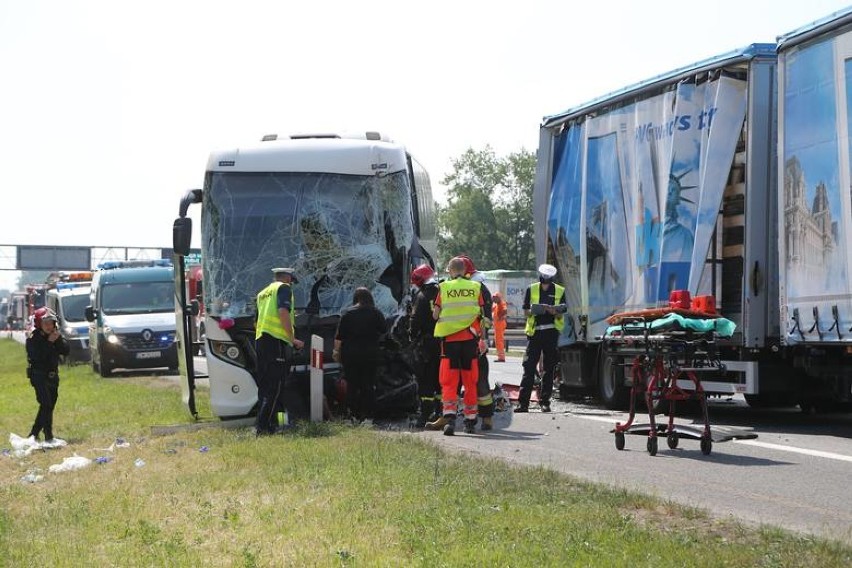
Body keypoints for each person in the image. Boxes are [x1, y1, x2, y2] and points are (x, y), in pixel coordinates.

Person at [426, 257, 486, 435]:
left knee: (449, 382)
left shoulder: (444, 288)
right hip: (470, 342)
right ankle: (470, 421)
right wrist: (482, 339)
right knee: (470, 381)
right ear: (465, 270)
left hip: (450, 343)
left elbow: (436, 316)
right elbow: (482, 315)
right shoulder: (476, 287)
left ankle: (450, 421)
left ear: (451, 271)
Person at [254, 267, 304, 435]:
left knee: (265, 385)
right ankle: (264, 428)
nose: (291, 283)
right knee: (276, 386)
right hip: (276, 342)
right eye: (291, 280)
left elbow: (256, 321)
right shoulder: (283, 288)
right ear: (288, 278)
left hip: (261, 340)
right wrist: (292, 339)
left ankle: (265, 425)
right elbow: (283, 312)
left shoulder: (262, 293)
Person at [516, 263, 566, 413]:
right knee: (529, 367)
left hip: (551, 333)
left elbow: (562, 311)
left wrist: (552, 311)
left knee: (549, 369)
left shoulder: (559, 290)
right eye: (544, 278)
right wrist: (534, 310)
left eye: (548, 279)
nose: (545, 281)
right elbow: (525, 311)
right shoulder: (531, 289)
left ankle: (545, 402)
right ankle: (523, 404)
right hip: (535, 333)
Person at [333, 287, 387, 421]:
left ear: (355, 298)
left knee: (352, 385)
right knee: (368, 386)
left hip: (350, 355)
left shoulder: (347, 314)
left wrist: (336, 353)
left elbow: (339, 337)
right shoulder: (376, 313)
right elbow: (384, 331)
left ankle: (353, 416)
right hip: (370, 354)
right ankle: (368, 417)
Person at [459, 255, 496, 431]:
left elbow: (486, 319)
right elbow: (487, 319)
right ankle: (484, 419)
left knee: (472, 382)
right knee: (479, 382)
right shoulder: (480, 289)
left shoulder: (466, 289)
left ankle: (478, 419)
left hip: (463, 343)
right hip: (474, 342)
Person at [26, 307, 70, 445]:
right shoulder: (33, 338)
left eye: (51, 323)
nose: (49, 326)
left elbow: (65, 351)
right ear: (39, 324)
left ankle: (33, 433)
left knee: (49, 406)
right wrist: (49, 342)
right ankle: (48, 436)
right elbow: (37, 357)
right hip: (38, 375)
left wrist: (58, 340)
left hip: (52, 375)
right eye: (46, 323)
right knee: (46, 404)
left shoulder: (55, 335)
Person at [408, 263, 442, 427]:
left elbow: (415, 322)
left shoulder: (421, 297)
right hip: (444, 343)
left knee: (426, 380)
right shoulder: (443, 292)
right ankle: (441, 412)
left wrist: (411, 338)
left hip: (428, 345)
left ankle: (425, 415)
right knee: (441, 381)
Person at [492, 291, 507, 362]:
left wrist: (500, 317)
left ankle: (501, 357)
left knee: (499, 341)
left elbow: (505, 310)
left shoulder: (501, 303)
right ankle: (500, 356)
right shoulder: (497, 304)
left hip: (500, 324)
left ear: (498, 298)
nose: (493, 299)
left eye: (495, 298)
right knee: (498, 340)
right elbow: (491, 309)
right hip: (498, 325)